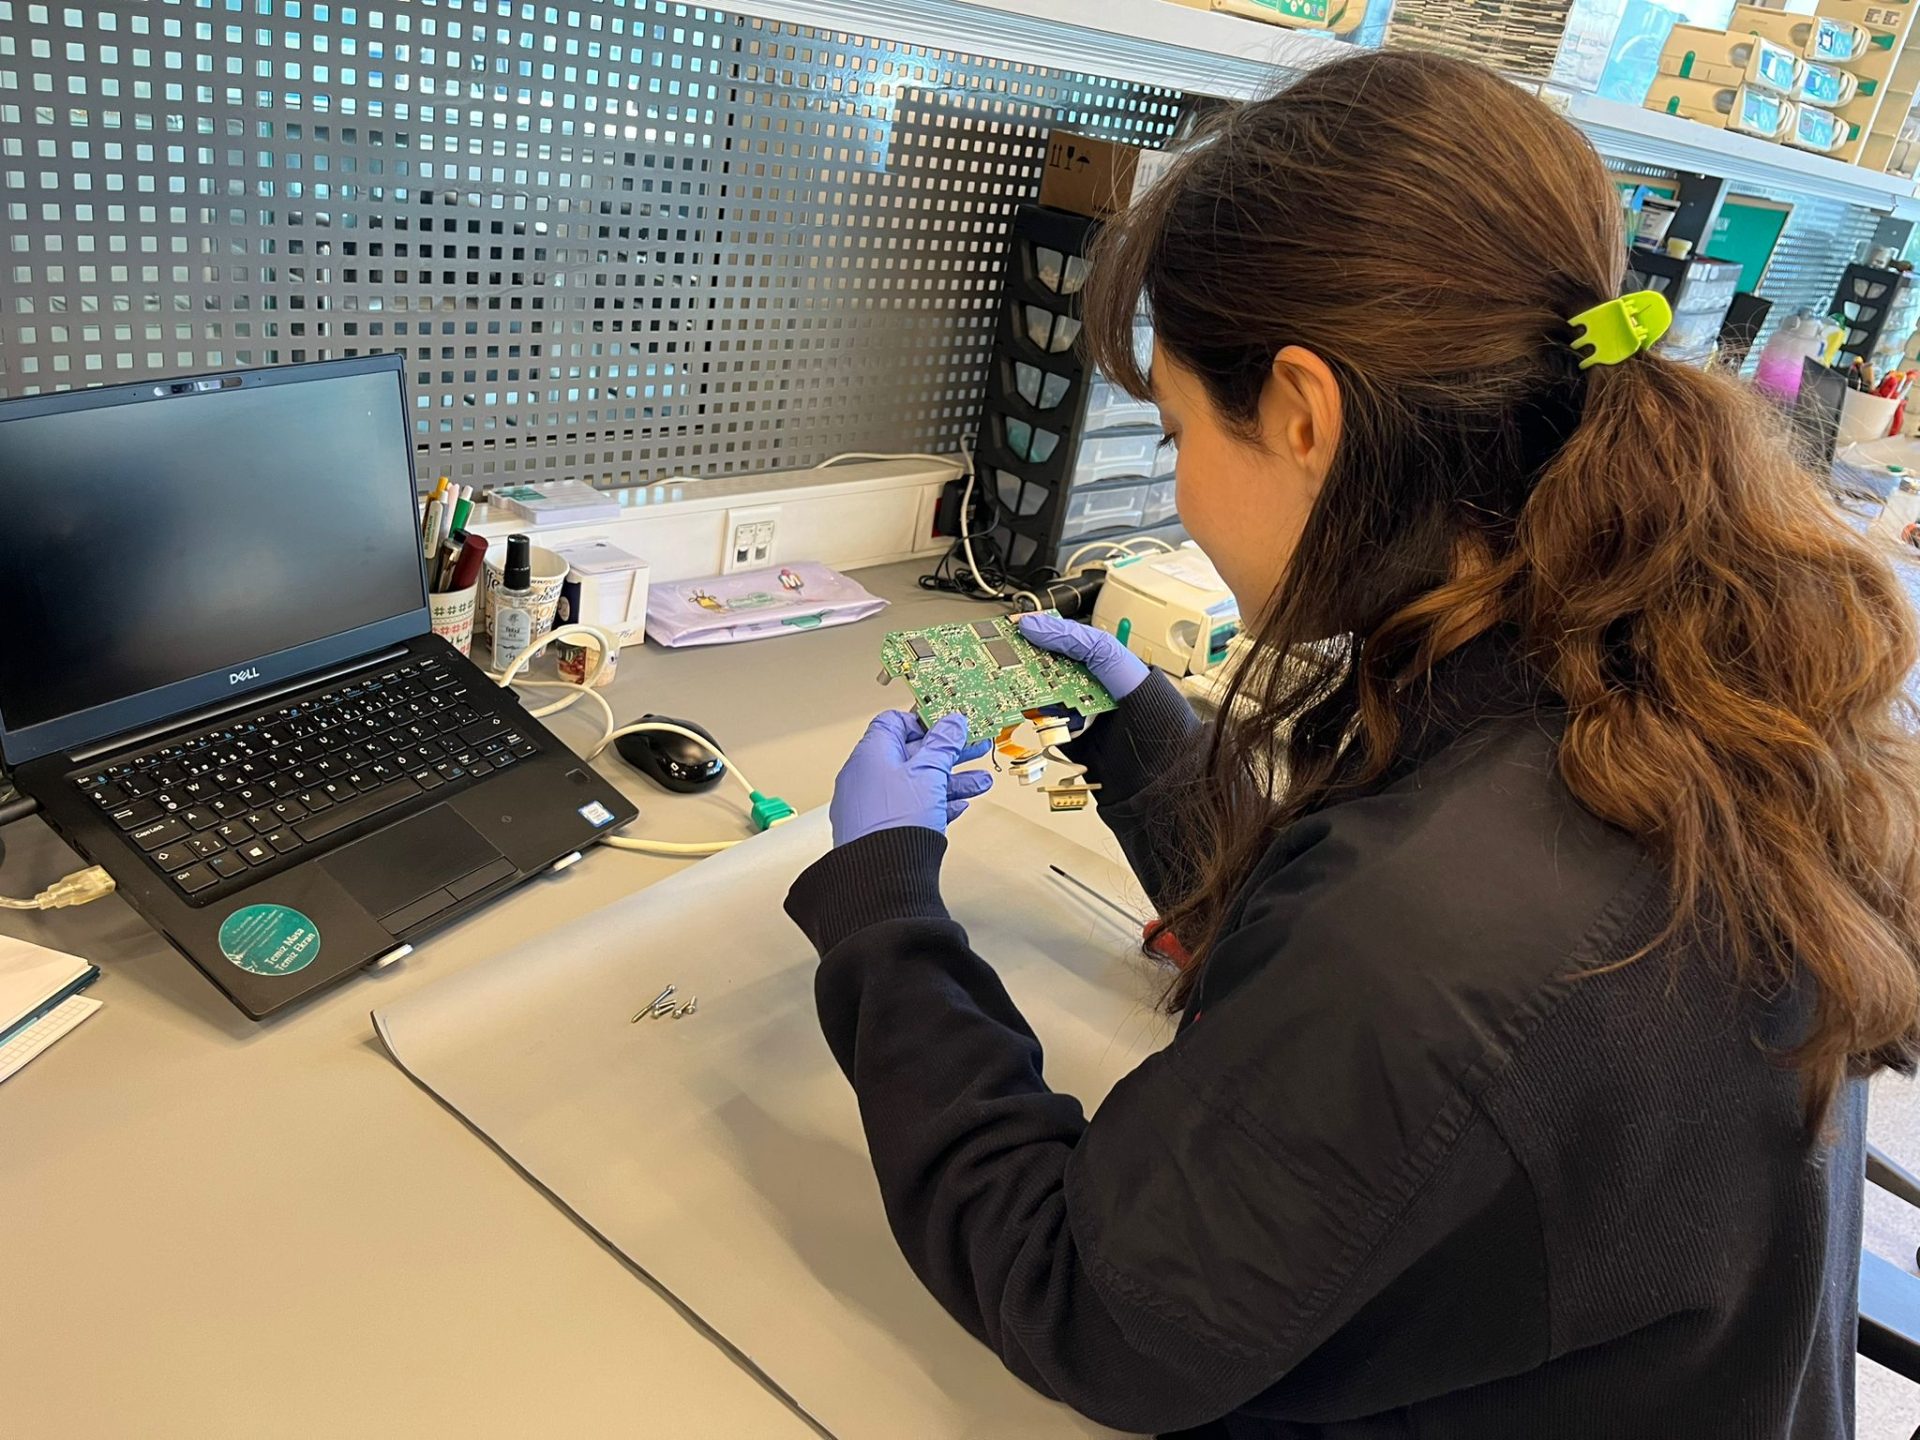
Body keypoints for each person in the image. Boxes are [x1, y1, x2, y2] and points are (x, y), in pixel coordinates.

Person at [784, 50, 1920, 1438]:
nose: (1179, 486)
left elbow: (1091, 1306)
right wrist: (1150, 747)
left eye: (1178, 430)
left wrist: (884, 916)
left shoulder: (1454, 915)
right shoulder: (1646, 663)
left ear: (1305, 415)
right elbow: (1373, 959)